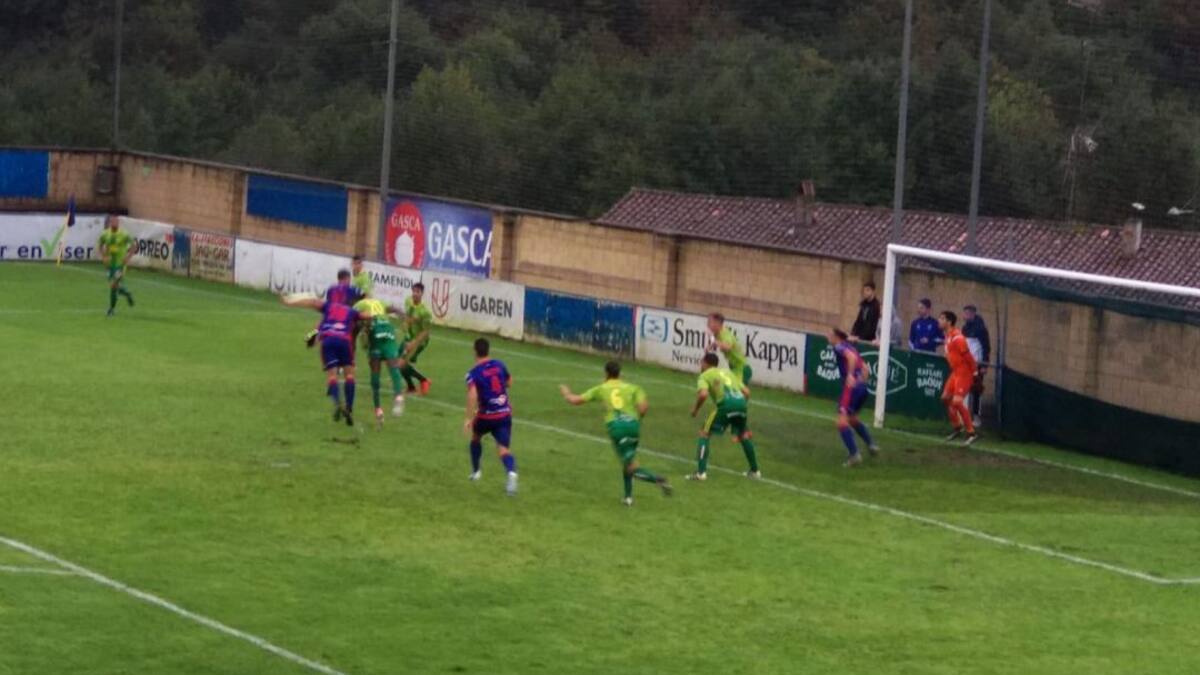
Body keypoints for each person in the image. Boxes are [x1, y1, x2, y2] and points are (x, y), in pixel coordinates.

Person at [560, 362, 673, 506]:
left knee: (630, 466)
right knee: (628, 461)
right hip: (633, 426)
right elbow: (644, 408)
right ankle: (628, 497)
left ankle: (658, 480)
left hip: (617, 429)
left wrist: (566, 393)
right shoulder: (633, 388)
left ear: (606, 373)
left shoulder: (601, 389)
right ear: (619, 373)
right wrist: (635, 419)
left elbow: (575, 400)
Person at [282, 288, 361, 427]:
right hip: (345, 344)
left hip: (331, 343)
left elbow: (319, 327)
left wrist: (310, 336)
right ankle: (347, 405)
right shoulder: (349, 312)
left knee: (332, 374)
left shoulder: (330, 310)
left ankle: (336, 396)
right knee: (348, 372)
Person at [686, 353, 760, 482]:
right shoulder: (728, 373)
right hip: (741, 404)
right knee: (743, 435)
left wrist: (695, 410)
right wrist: (739, 408)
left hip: (725, 405)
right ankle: (755, 471)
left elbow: (703, 395)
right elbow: (747, 392)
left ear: (706, 363)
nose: (700, 365)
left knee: (704, 434)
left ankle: (701, 473)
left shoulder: (704, 376)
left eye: (702, 362)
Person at [464, 338, 518, 496]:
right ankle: (511, 473)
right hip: (504, 413)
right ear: (488, 350)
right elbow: (509, 382)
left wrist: (468, 417)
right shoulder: (499, 365)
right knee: (503, 450)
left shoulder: (473, 374)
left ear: (475, 351)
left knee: (475, 436)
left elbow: (472, 394)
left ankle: (476, 472)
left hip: (487, 415)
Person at [352, 296, 408, 426]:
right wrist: (402, 314)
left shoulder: (358, 304)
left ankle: (378, 410)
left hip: (374, 330)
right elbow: (391, 308)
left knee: (375, 370)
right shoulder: (379, 301)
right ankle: (398, 396)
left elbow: (354, 320)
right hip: (388, 329)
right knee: (393, 365)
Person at [829, 328, 880, 467]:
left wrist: (850, 376)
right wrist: (861, 382)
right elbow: (865, 369)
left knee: (841, 422)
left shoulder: (839, 347)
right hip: (862, 388)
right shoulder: (852, 347)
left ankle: (854, 455)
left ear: (837, 337)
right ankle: (871, 445)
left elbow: (850, 358)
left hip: (851, 388)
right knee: (852, 419)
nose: (828, 337)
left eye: (830, 335)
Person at [939, 311, 978, 445]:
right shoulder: (948, 336)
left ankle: (971, 432)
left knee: (956, 402)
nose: (939, 321)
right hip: (955, 372)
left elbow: (968, 357)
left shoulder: (958, 337)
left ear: (949, 322)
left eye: (942, 318)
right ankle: (957, 427)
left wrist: (975, 372)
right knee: (945, 398)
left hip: (964, 373)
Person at [97, 215, 135, 316]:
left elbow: (134, 246)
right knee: (114, 286)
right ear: (110, 223)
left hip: (120, 265)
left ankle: (111, 309)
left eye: (116, 221)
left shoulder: (124, 234)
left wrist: (128, 257)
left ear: (118, 223)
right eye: (113, 221)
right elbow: (100, 245)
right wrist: (104, 257)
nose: (115, 223)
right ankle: (126, 293)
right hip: (109, 265)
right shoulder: (105, 234)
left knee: (113, 285)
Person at [961, 304, 991, 427]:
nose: (965, 316)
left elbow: (986, 347)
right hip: (965, 364)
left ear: (973, 314)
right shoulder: (964, 328)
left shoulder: (981, 329)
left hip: (977, 364)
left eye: (967, 313)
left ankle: (977, 417)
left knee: (976, 390)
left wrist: (984, 364)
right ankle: (963, 415)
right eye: (964, 313)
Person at [402, 282, 434, 395]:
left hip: (420, 341)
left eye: (418, 292)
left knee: (402, 364)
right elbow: (407, 318)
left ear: (422, 294)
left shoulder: (425, 312)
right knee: (399, 362)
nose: (415, 294)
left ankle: (424, 381)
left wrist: (413, 343)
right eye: (414, 291)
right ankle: (411, 387)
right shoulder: (408, 301)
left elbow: (426, 331)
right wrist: (406, 332)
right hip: (410, 338)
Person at [706, 312, 752, 385]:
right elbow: (717, 343)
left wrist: (714, 342)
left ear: (717, 323)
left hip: (742, 368)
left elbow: (727, 347)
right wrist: (710, 346)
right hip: (735, 368)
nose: (707, 324)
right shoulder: (717, 334)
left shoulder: (724, 334)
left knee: (734, 391)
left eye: (709, 322)